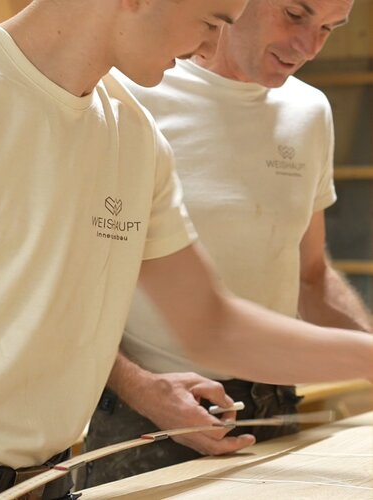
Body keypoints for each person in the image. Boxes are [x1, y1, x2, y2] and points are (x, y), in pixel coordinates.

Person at [0, 0, 371, 499]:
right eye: (211, 22)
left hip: (46, 479)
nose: (208, 48)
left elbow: (210, 325)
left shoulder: (134, 134)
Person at [80, 0, 373, 488]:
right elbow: (69, 288)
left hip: (276, 408)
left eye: (328, 29)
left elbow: (311, 278)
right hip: (147, 413)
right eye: (296, 15)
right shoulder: (130, 94)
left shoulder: (309, 111)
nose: (308, 47)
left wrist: (366, 349)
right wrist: (141, 388)